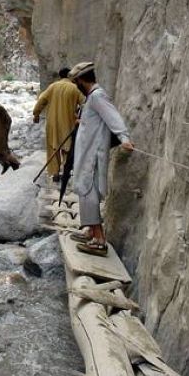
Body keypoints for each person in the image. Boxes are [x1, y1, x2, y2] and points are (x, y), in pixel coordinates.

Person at [68, 61, 134, 257]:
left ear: (81, 80)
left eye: (76, 81)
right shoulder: (91, 97)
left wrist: (124, 137)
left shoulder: (97, 96)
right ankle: (90, 230)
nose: (76, 85)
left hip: (92, 156)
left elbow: (113, 117)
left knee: (89, 192)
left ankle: (99, 239)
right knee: (85, 190)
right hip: (86, 153)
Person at [33, 67, 84, 182]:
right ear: (70, 76)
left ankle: (55, 172)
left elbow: (41, 101)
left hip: (52, 124)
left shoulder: (52, 87)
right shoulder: (75, 88)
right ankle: (66, 171)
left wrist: (36, 114)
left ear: (60, 76)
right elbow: (85, 103)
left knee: (53, 147)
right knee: (68, 147)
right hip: (68, 123)